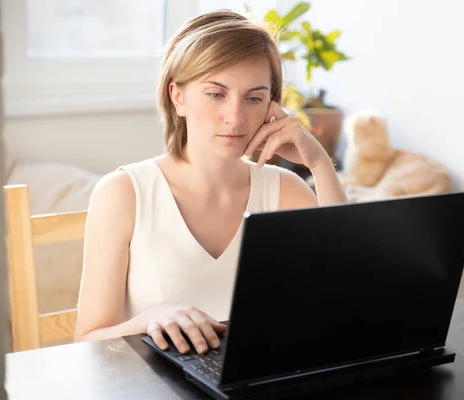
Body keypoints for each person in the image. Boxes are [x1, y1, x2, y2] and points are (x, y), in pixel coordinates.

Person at [73, 9, 347, 355]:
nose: (235, 117)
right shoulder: (123, 193)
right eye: (216, 94)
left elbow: (345, 295)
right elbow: (87, 338)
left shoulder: (286, 192)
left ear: (271, 107)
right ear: (178, 96)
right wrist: (151, 318)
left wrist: (318, 162)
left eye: (253, 98)